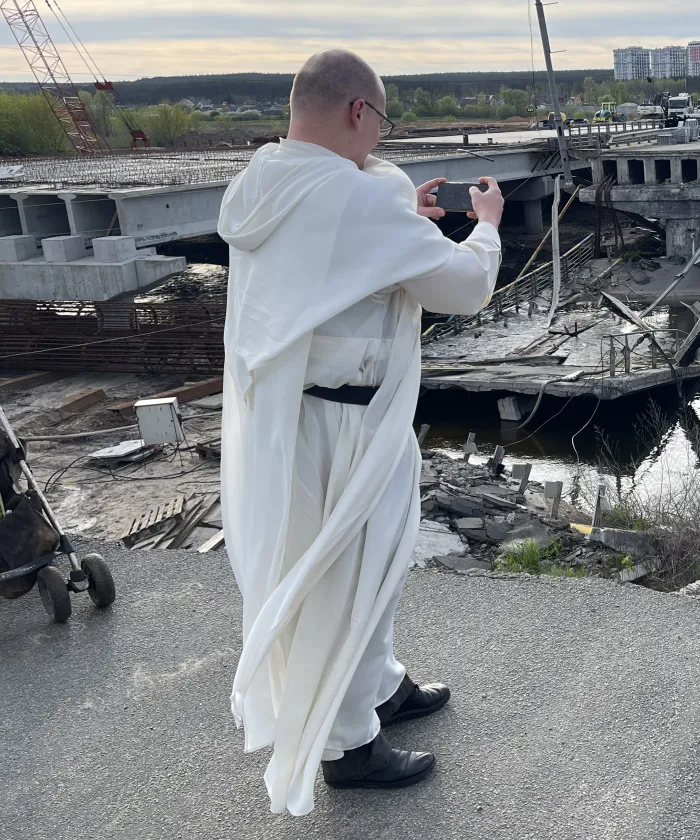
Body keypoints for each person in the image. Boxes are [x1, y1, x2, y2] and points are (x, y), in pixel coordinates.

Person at [217, 48, 505, 816]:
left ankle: (379, 686)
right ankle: (349, 747)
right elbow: (464, 287)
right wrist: (485, 228)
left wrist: (399, 219)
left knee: (367, 566)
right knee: (348, 581)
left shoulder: (264, 182)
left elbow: (328, 266)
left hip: (300, 419)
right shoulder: (353, 196)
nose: (380, 136)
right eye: (381, 119)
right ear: (357, 111)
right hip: (349, 425)